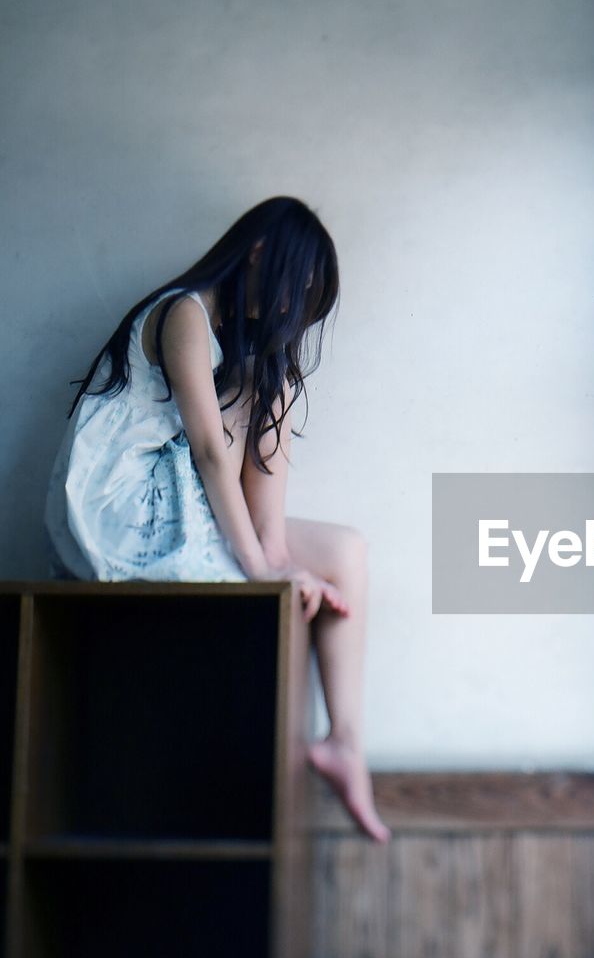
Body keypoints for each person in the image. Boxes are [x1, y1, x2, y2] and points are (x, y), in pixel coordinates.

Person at [45, 196, 390, 843]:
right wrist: (263, 570)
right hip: (116, 513)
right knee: (272, 384)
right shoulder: (183, 313)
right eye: (295, 289)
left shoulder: (217, 333)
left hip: (166, 498)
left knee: (347, 552)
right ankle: (270, 552)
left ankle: (345, 742)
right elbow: (207, 449)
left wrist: (271, 559)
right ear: (258, 252)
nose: (290, 309)